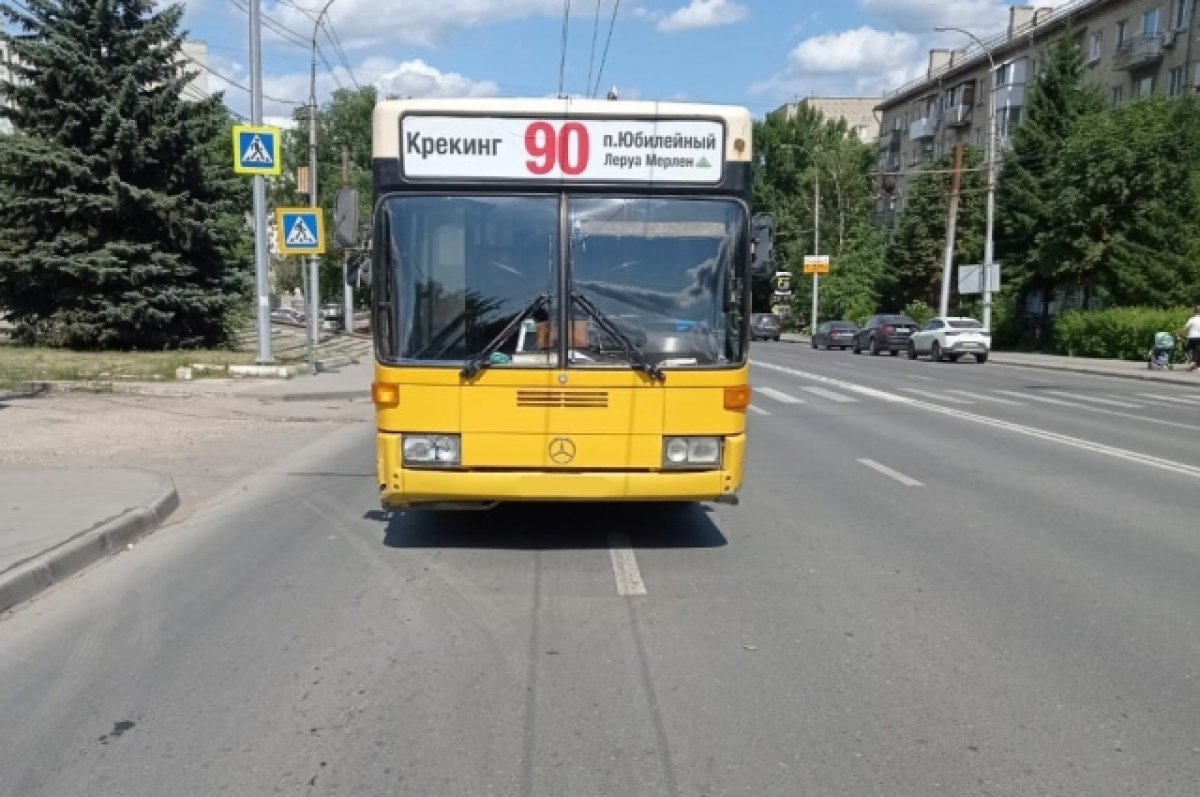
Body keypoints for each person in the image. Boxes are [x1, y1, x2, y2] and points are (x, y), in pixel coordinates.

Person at [1182, 305, 1200, 372]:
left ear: (1194, 312)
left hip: (1192, 337)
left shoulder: (1191, 319)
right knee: (1197, 350)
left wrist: (1181, 334)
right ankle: (1196, 364)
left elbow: (1185, 329)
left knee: (1193, 349)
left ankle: (1194, 363)